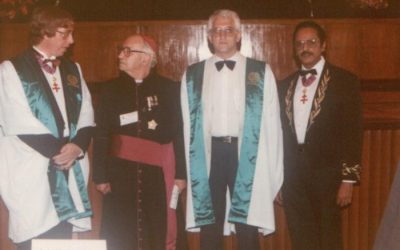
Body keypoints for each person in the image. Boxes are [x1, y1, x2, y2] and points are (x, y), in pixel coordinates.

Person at [180, 9, 283, 250]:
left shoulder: (261, 72)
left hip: (246, 154)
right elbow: (187, 124)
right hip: (209, 155)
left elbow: (272, 123)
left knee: (247, 227)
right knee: (210, 226)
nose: (222, 35)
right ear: (209, 36)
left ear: (238, 35)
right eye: (217, 30)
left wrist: (272, 169)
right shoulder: (192, 75)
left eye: (228, 30)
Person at [0, 6, 94, 250]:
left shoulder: (74, 69)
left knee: (61, 238)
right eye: (65, 34)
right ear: (45, 31)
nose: (71, 40)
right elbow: (16, 119)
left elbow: (86, 114)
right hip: (33, 166)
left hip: (69, 162)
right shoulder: (11, 70)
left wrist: (77, 147)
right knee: (36, 232)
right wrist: (60, 152)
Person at [92, 34, 188, 250]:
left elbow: (179, 134)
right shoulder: (109, 90)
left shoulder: (169, 89)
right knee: (121, 231)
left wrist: (181, 174)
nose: (120, 55)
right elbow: (101, 134)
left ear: (146, 57)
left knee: (158, 228)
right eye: (121, 50)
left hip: (159, 174)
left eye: (127, 51)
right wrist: (100, 175)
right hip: (120, 175)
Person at [278, 20, 363, 250]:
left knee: (329, 239)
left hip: (328, 177)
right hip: (294, 179)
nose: (305, 48)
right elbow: (278, 138)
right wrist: (278, 181)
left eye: (311, 42)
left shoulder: (345, 82)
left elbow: (353, 132)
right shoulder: (284, 85)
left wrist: (348, 179)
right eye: (300, 44)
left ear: (323, 45)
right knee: (301, 238)